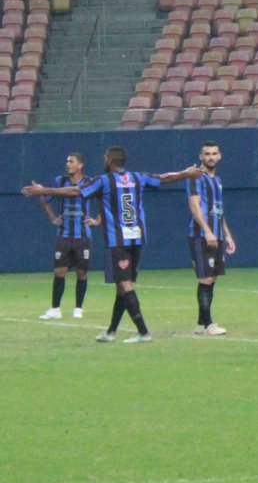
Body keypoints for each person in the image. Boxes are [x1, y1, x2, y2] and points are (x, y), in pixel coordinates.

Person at [22, 146, 202, 343]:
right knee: (121, 287)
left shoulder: (104, 181)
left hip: (118, 241)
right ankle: (111, 332)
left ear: (109, 160)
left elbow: (76, 191)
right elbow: (164, 178)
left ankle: (143, 332)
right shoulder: (138, 177)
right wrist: (186, 173)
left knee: (125, 285)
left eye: (105, 158)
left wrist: (44, 190)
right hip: (137, 238)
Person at [37, 152, 98, 321]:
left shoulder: (89, 183)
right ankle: (55, 309)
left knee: (82, 273)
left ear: (80, 165)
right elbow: (44, 199)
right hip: (64, 234)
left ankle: (78, 308)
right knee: (59, 271)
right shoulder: (60, 181)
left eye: (71, 161)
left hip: (83, 236)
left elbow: (105, 200)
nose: (67, 164)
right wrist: (52, 217)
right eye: (67, 161)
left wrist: (97, 220)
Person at [187, 141, 236, 337]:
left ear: (220, 156)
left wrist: (228, 235)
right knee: (205, 279)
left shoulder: (217, 180)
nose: (211, 157)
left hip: (217, 235)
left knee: (212, 279)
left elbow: (218, 211)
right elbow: (194, 206)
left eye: (214, 153)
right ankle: (208, 325)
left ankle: (200, 324)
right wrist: (207, 231)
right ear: (201, 157)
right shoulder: (195, 176)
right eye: (207, 154)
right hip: (201, 236)